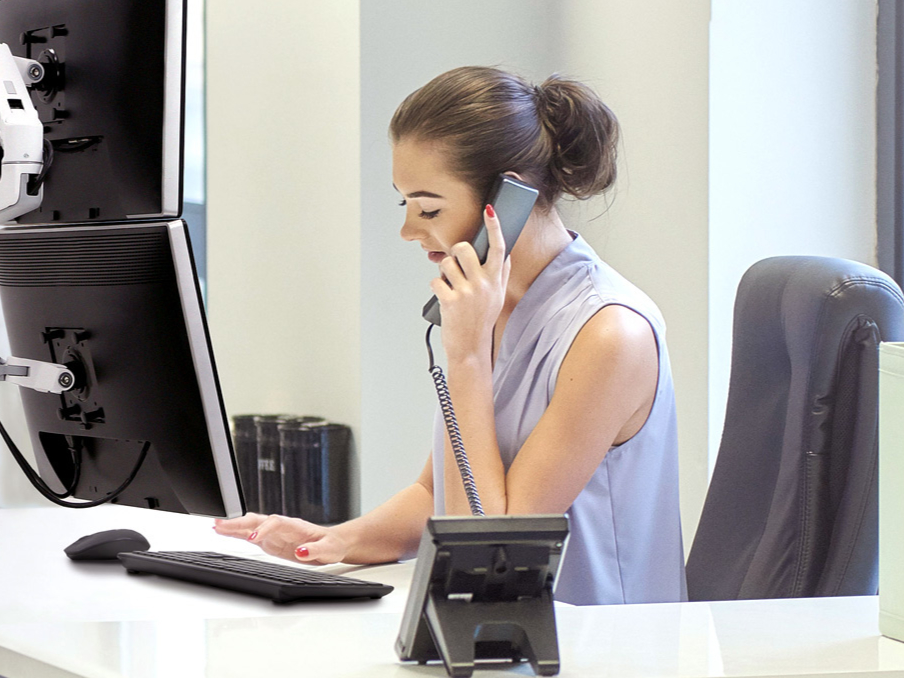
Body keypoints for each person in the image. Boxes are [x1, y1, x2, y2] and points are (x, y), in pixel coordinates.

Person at [214, 66, 687, 605]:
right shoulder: (488, 306)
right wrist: (332, 541)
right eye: (406, 204)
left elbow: (495, 552)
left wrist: (466, 358)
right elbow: (434, 493)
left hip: (598, 639)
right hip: (499, 629)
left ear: (510, 199)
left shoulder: (610, 335)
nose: (408, 230)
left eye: (429, 208)